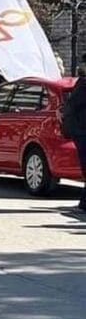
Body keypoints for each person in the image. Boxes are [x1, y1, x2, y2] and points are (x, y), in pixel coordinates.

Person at [60, 53, 86, 211]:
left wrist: (63, 111)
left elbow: (73, 103)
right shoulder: (82, 82)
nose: (81, 67)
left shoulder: (83, 84)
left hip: (82, 129)